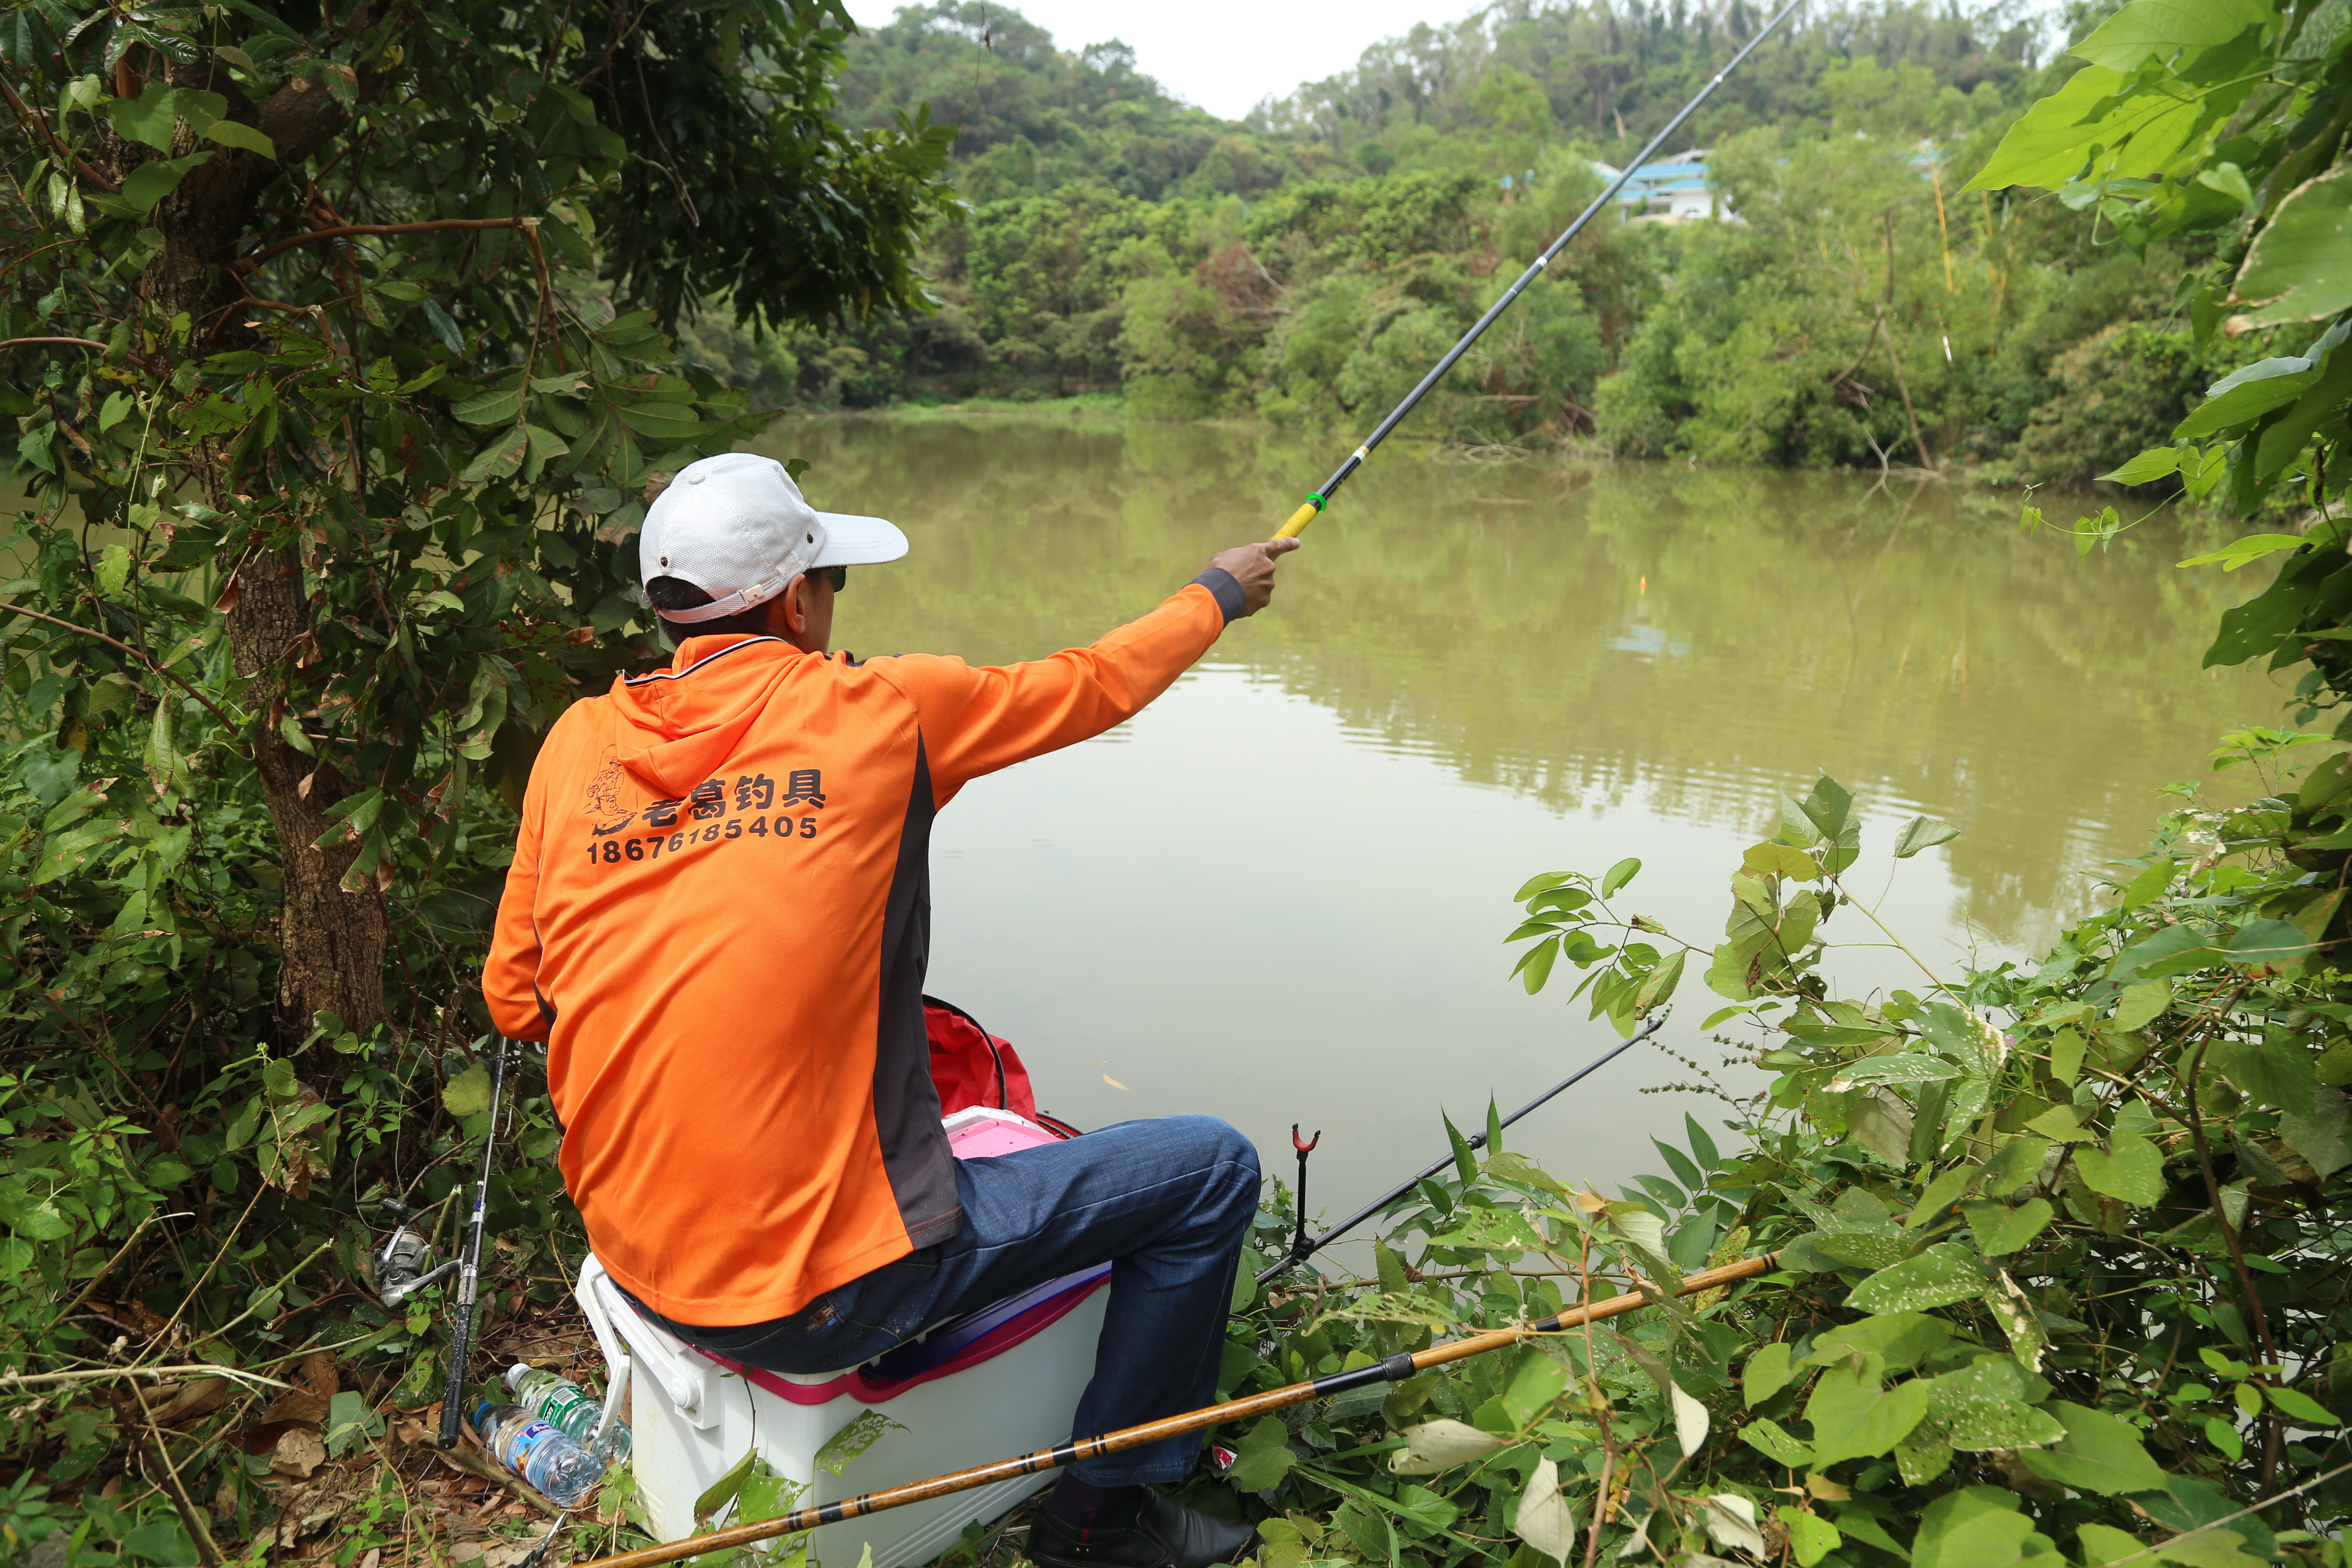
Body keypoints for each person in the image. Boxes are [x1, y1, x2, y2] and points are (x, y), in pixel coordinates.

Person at [483, 451, 1297, 1568]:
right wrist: (1217, 591)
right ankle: (1107, 1518)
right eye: (830, 584)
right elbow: (1094, 681)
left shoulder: (576, 746)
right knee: (1208, 1172)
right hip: (822, 1291)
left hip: (632, 1256)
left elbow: (516, 1000)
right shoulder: (883, 710)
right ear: (797, 599)